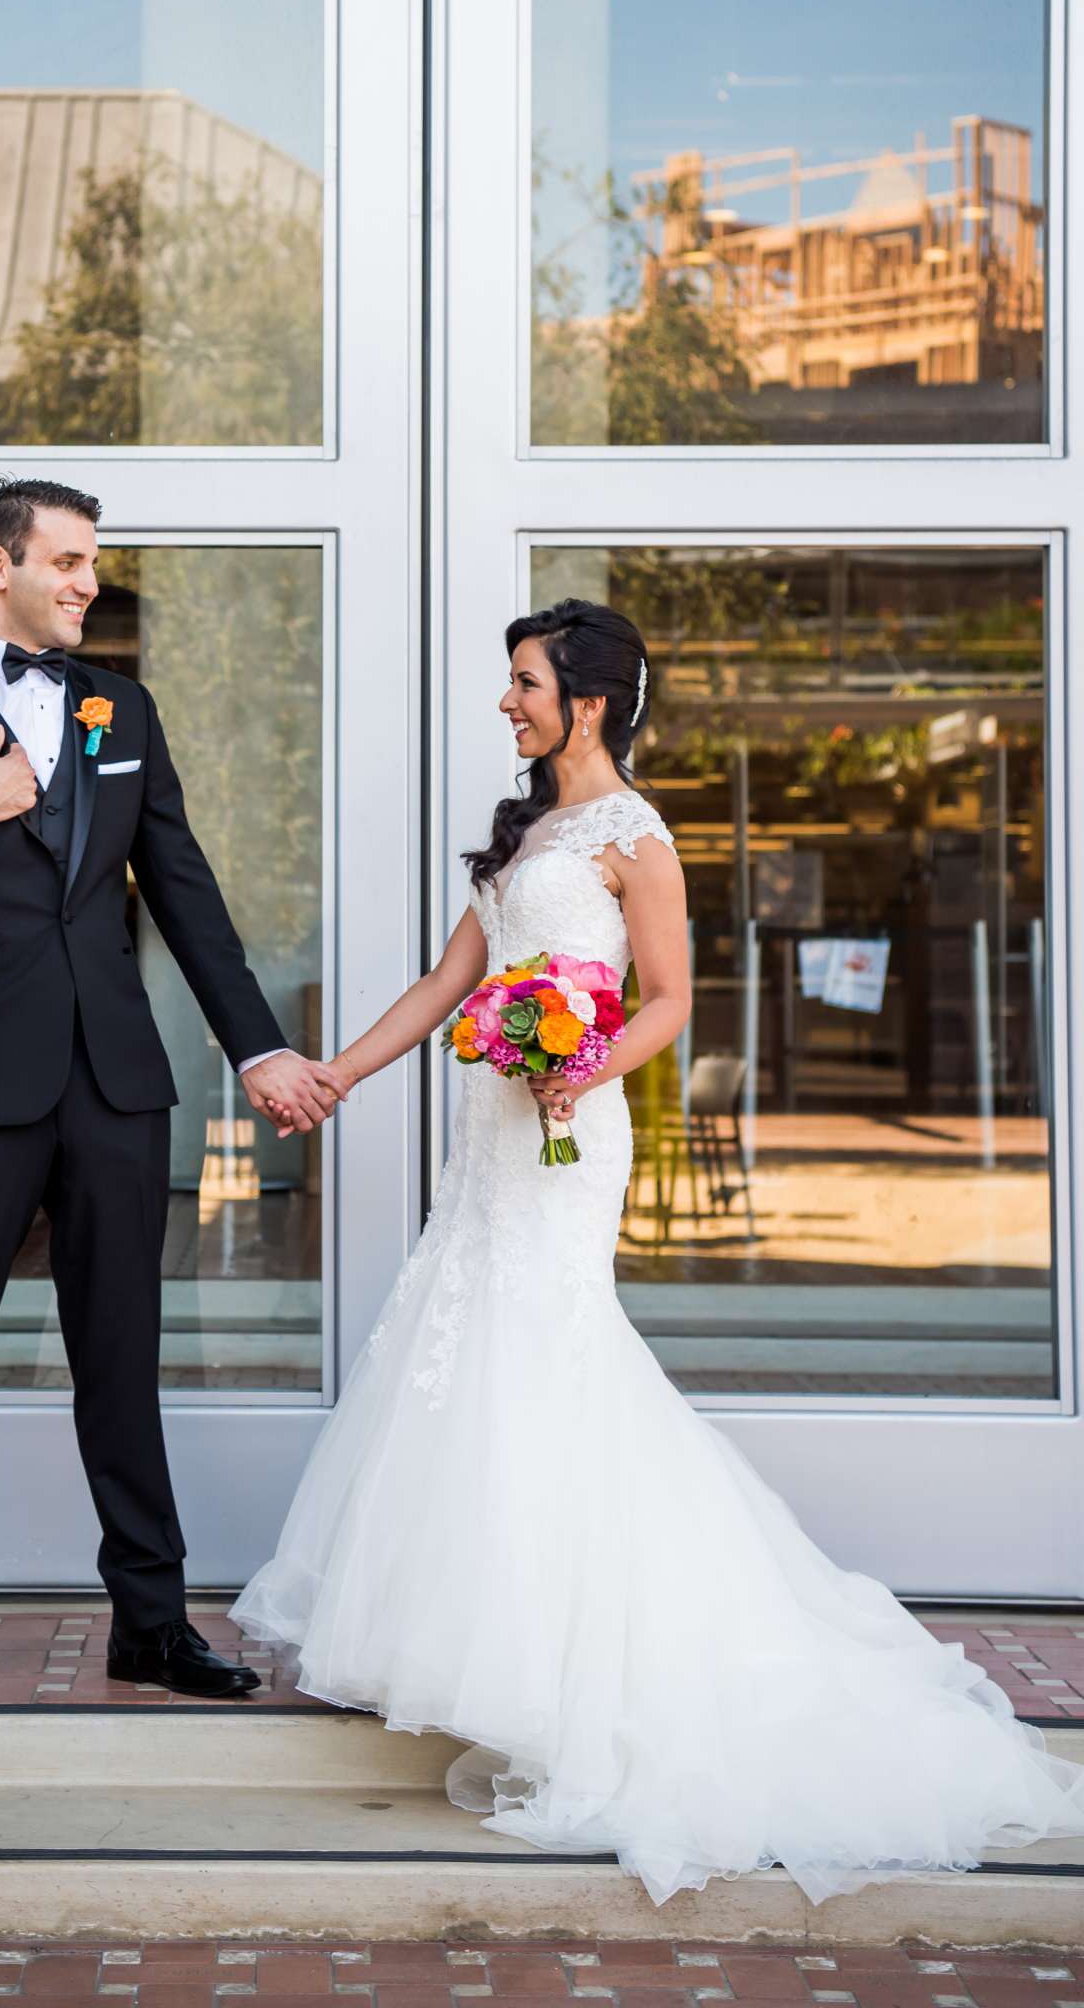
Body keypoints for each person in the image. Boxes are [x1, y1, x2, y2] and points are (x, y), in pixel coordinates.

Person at [233, 598, 1084, 1905]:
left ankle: (590, 1670)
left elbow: (671, 1000)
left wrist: (581, 1062)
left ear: (590, 700)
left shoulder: (638, 836)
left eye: (523, 683)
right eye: (507, 682)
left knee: (555, 1358)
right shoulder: (523, 839)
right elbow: (445, 983)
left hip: (569, 1134)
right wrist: (338, 1076)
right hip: (487, 1143)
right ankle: (489, 1652)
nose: (506, 703)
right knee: (470, 1354)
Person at [0, 476, 339, 1714]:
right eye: (68, 561)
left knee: (123, 1357)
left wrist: (258, 1047)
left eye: (91, 563)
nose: (88, 583)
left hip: (111, 1083)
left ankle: (150, 1625)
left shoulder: (119, 706)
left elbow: (185, 894)